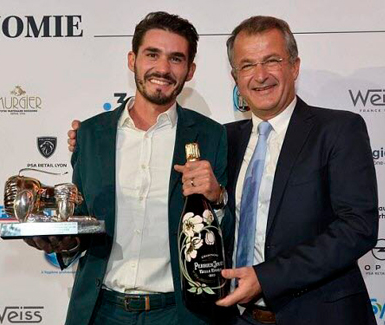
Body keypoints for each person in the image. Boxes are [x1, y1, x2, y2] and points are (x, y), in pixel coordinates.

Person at [69, 14, 378, 325]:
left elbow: (357, 229)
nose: (260, 75)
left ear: (294, 67)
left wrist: (266, 277)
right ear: (235, 76)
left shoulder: (338, 130)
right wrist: (91, 140)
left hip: (317, 314)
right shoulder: (223, 138)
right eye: (247, 65)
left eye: (271, 61)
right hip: (233, 317)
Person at [24, 11, 231, 325]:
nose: (162, 69)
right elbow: (82, 221)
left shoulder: (212, 136)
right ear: (132, 60)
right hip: (101, 310)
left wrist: (217, 198)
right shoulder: (90, 135)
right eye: (152, 55)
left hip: (179, 312)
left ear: (190, 71)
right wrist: (59, 241)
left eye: (176, 59)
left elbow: (226, 231)